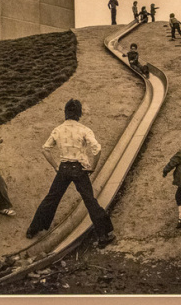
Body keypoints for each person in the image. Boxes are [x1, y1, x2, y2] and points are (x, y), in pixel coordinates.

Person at [26, 99, 116, 247]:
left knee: (52, 198)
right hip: (80, 169)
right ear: (79, 113)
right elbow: (97, 149)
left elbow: (45, 149)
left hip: (64, 168)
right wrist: (92, 166)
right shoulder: (84, 130)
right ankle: (104, 235)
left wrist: (56, 167)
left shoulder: (58, 130)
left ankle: (33, 229)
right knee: (89, 200)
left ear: (65, 113)